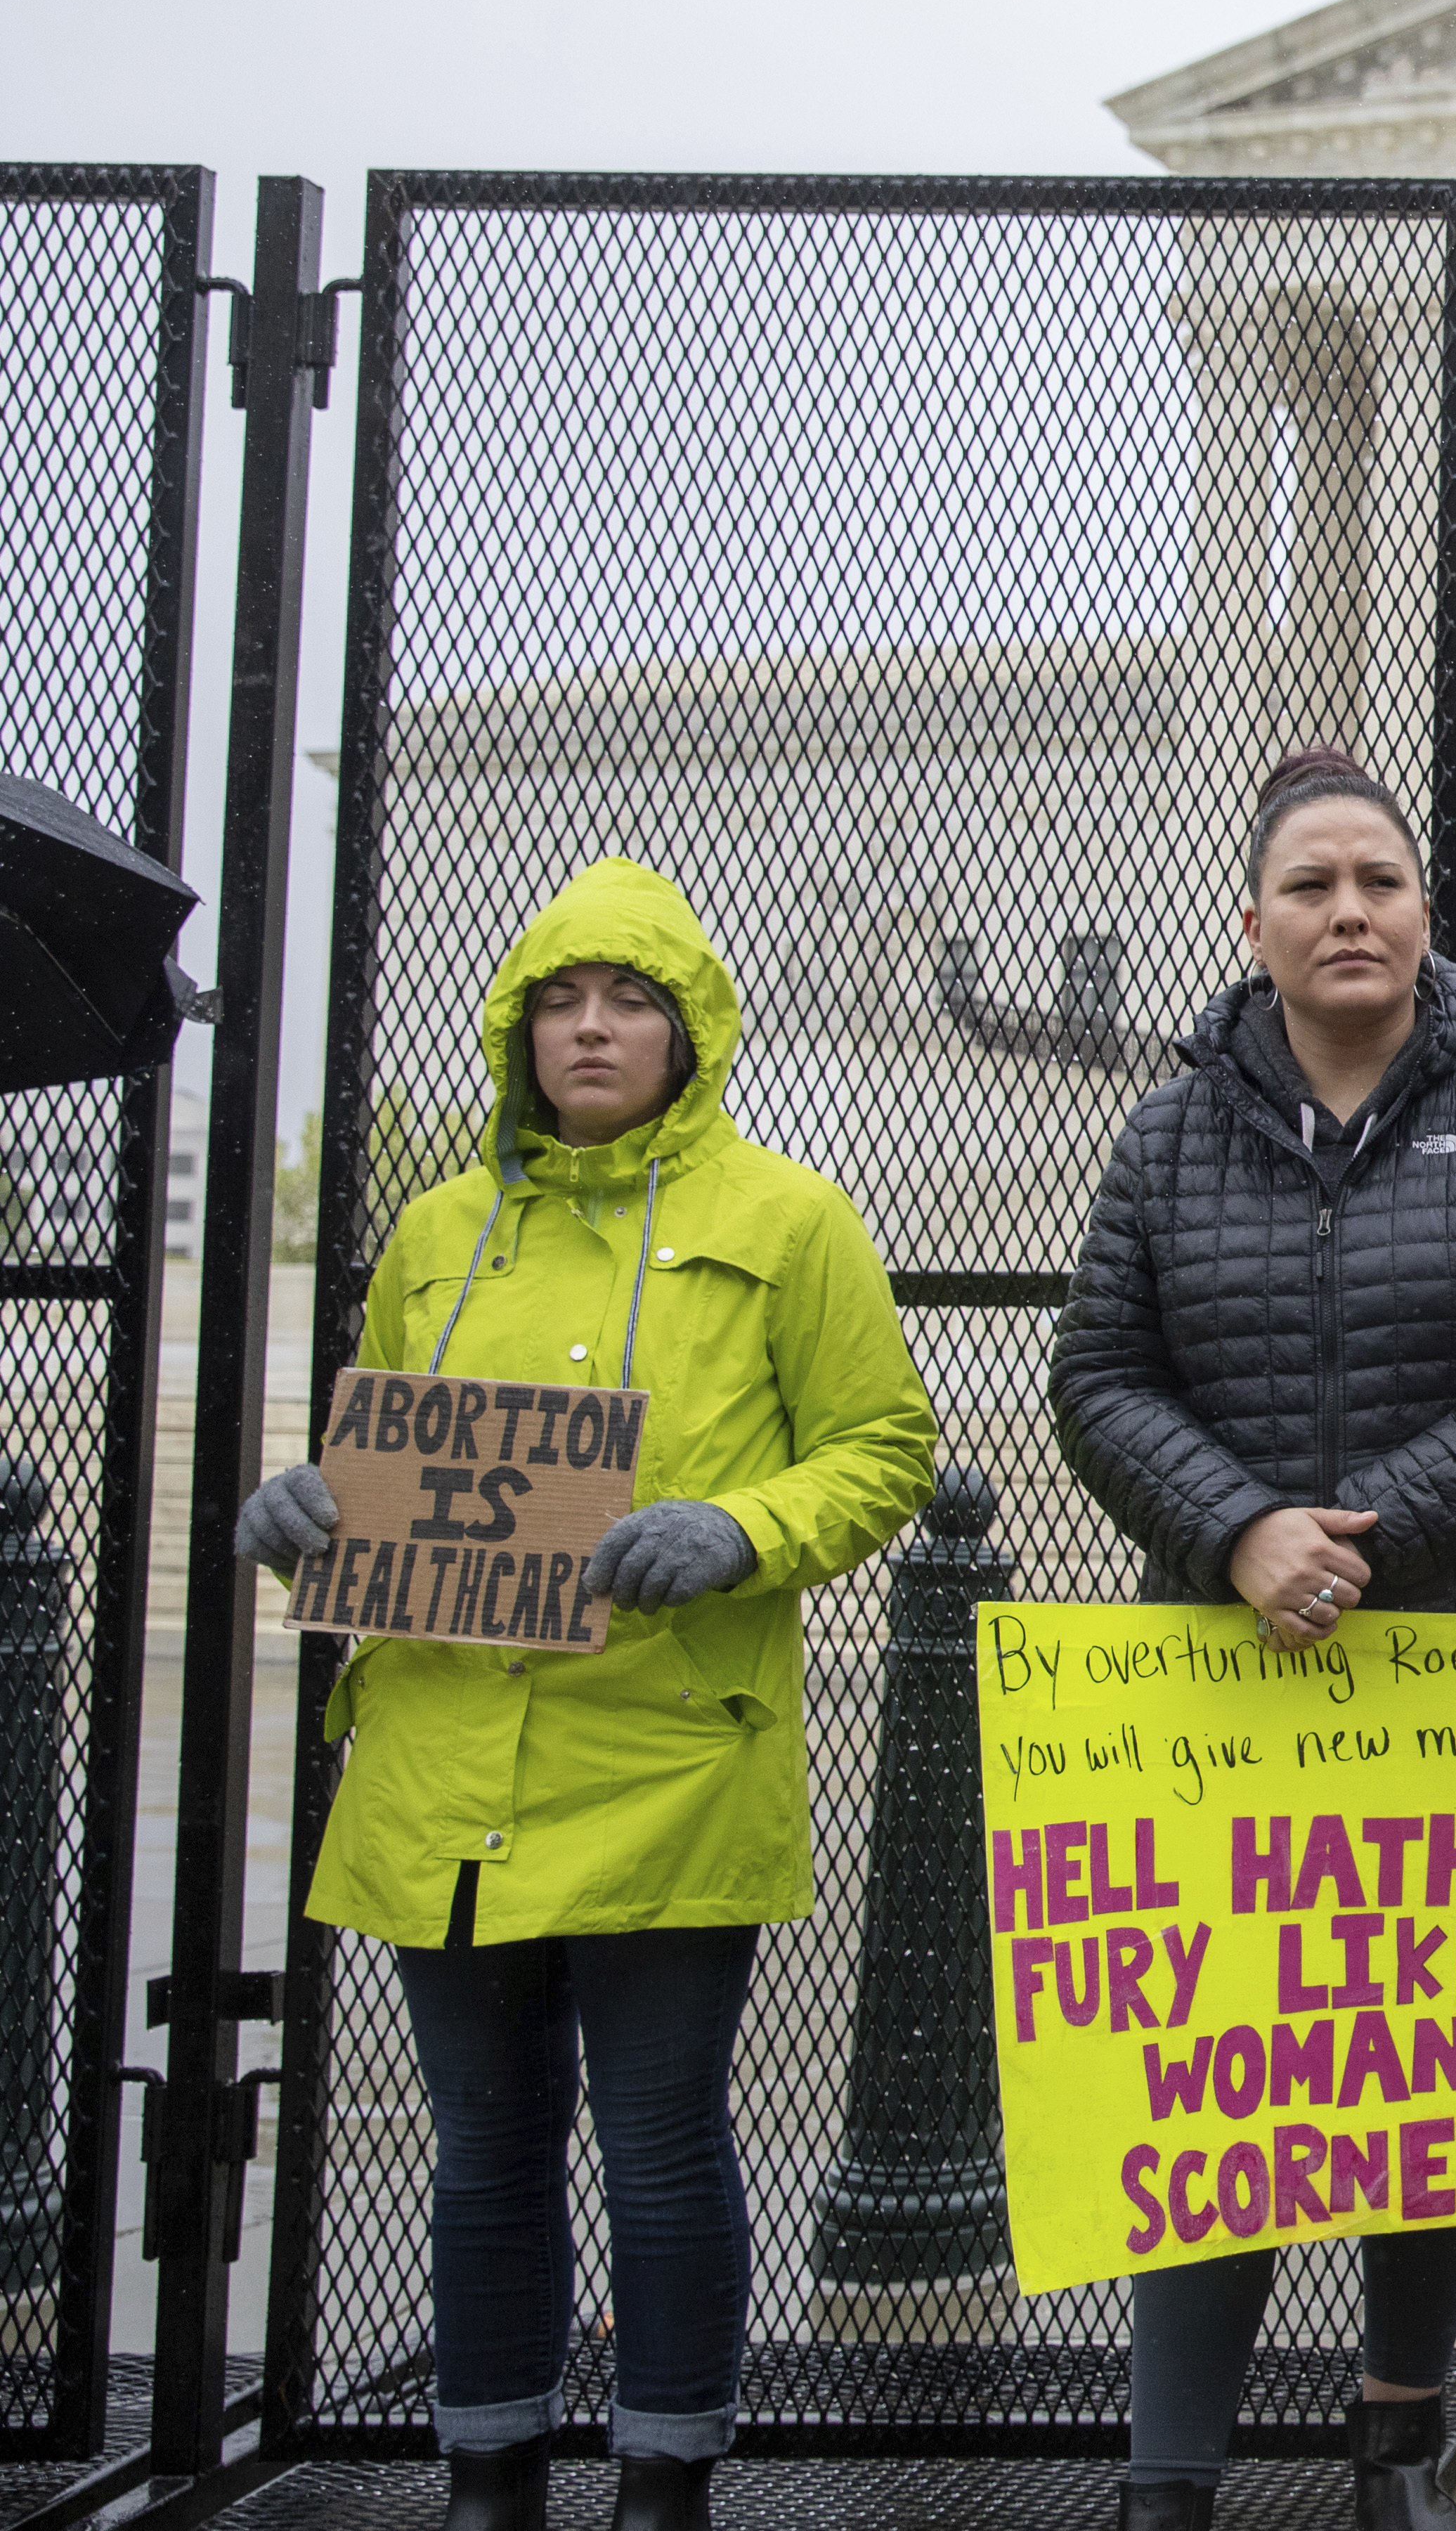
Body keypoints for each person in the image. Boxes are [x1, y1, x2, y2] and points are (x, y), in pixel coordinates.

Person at [229, 860, 936, 2531]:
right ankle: (488, 2476)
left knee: (664, 2148)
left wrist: (743, 1527)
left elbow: (883, 1448)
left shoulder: (791, 1221)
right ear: (519, 1033)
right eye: (561, 1002)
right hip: (441, 1756)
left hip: (666, 1761)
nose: (594, 1030)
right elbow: (390, 1465)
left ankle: (663, 2482)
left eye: (630, 1003)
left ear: (690, 1033)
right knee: (483, 2152)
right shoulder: (434, 1233)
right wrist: (301, 1509)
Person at [1050, 746, 1456, 2531]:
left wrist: (1359, 1529)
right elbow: (1098, 1376)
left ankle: (1397, 2441)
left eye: (1377, 883)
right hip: (1223, 1669)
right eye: (1311, 887)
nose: (1348, 913)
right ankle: (1173, 2479)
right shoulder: (1167, 1133)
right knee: (1205, 2088)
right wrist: (1239, 1532)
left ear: (1419, 916)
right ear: (1255, 927)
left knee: (1427, 2078)